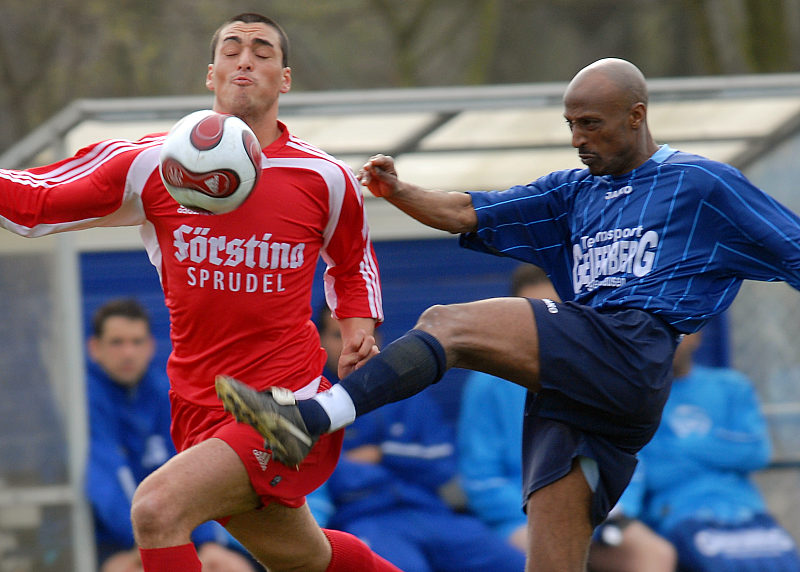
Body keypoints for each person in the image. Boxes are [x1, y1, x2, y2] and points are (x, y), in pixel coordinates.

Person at [215, 57, 800, 572]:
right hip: (579, 385)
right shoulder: (573, 193)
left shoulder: (702, 184)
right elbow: (470, 211)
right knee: (550, 560)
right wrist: (398, 191)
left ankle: (308, 421)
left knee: (448, 324)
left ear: (636, 115)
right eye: (571, 124)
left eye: (590, 124)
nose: (578, 138)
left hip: (632, 350)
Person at [0, 13, 396, 572]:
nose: (246, 59)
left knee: (157, 509)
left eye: (262, 51)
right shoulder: (154, 164)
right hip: (198, 406)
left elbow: (353, 263)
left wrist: (358, 327)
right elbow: (39, 202)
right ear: (211, 74)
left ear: (285, 78)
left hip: (286, 408)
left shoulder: (323, 178)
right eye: (232, 49)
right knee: (307, 558)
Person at [457, 264, 677, 572]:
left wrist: (611, 513)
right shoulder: (486, 384)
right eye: (534, 315)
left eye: (555, 313)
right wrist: (550, 518)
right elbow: (481, 480)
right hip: (519, 522)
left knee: (654, 555)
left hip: (600, 517)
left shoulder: (603, 372)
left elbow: (631, 460)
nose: (546, 326)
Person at [317, 305, 527, 572]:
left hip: (433, 512)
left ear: (377, 340)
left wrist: (383, 454)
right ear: (321, 340)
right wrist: (408, 458)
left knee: (521, 565)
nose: (351, 345)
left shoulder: (406, 390)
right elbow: (321, 473)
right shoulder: (314, 398)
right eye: (338, 335)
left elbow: (443, 461)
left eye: (361, 337)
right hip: (367, 520)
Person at [86, 298, 255, 572]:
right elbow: (106, 480)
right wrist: (147, 539)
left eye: (137, 342)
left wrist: (208, 541)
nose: (128, 353)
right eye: (117, 342)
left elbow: (196, 471)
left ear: (151, 346)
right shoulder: (85, 399)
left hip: (176, 529)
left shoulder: (167, 392)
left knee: (230, 566)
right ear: (95, 348)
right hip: (113, 539)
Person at [623, 332, 800, 571]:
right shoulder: (636, 399)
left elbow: (757, 453)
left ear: (698, 333)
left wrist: (680, 448)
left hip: (748, 514)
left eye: (678, 332)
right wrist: (720, 448)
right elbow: (652, 473)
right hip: (681, 517)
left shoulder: (731, 386)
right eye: (657, 332)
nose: (668, 340)